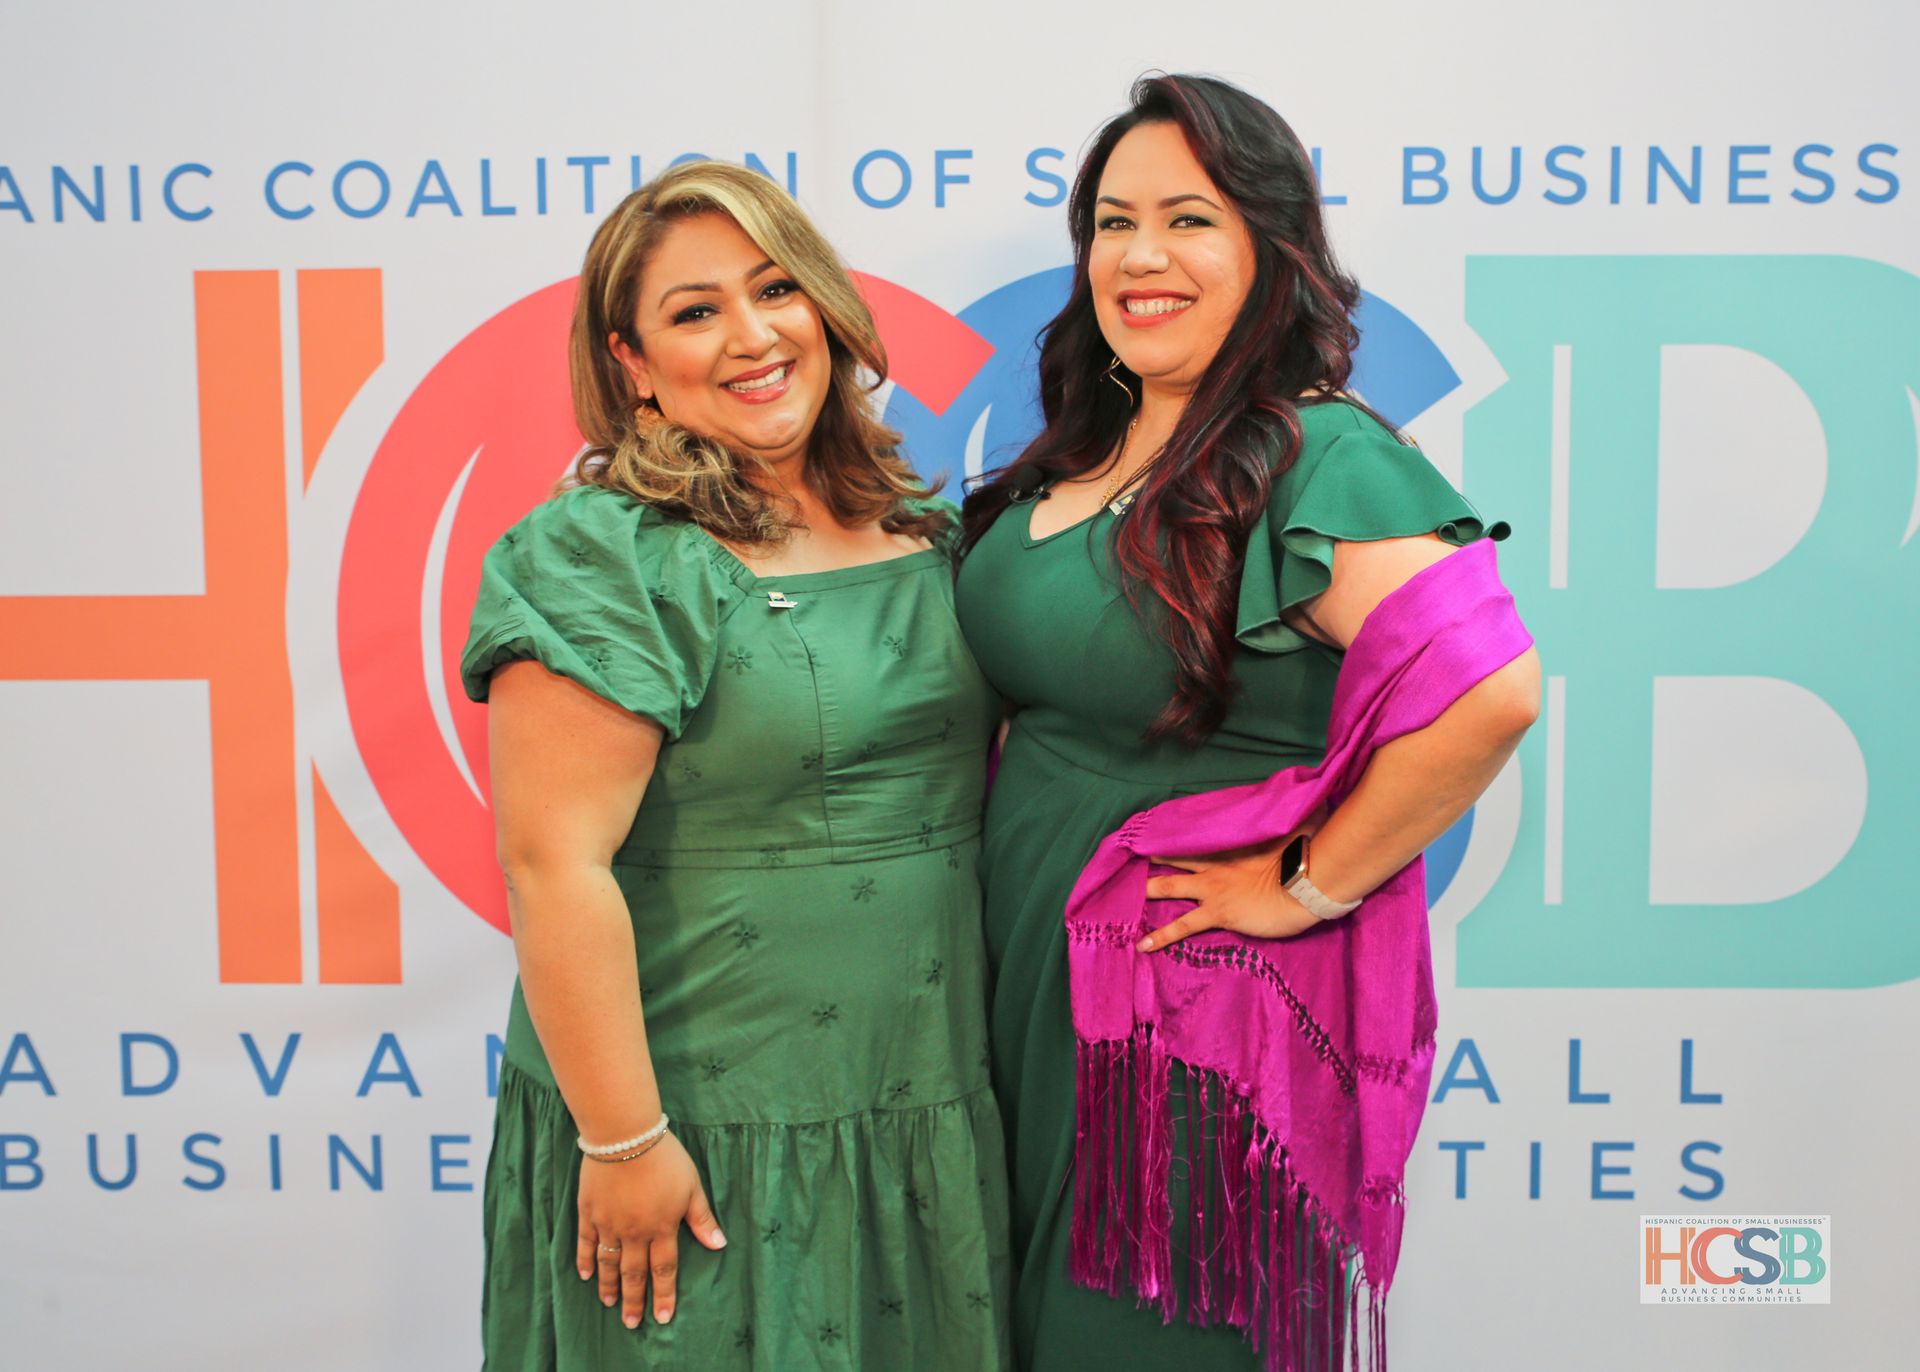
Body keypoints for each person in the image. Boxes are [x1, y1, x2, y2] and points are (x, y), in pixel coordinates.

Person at [956, 76, 1540, 1371]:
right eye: (1114, 223)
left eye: (1189, 219)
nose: (1140, 255)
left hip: (1177, 1024)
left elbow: (1489, 691)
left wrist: (1305, 886)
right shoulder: (1080, 455)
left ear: (1271, 249)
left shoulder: (1318, 453)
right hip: (1018, 990)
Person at [461, 161, 1011, 1372]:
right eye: (696, 311)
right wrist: (624, 1140)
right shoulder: (603, 556)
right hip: (696, 1133)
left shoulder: (925, 531)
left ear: (824, 304)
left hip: (920, 1110)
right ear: (631, 362)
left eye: (775, 290)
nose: (753, 336)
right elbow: (553, 864)